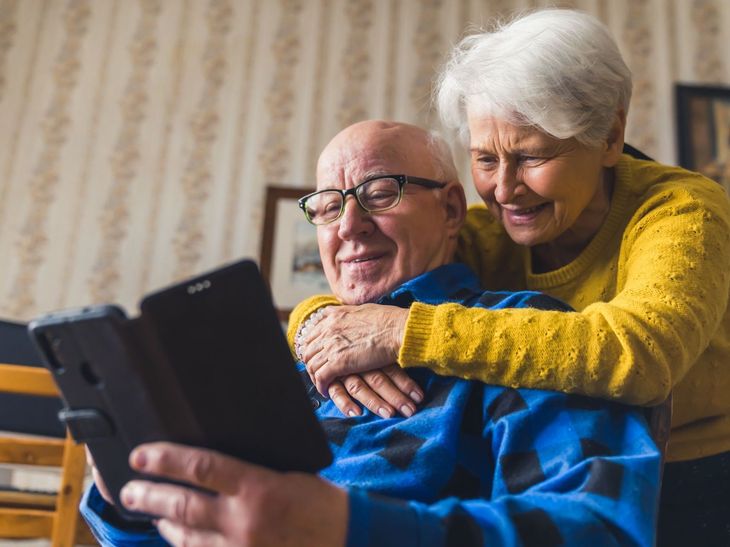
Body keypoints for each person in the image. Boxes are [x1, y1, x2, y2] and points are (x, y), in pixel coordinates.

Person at [80, 120, 661, 546]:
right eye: (329, 207)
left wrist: (350, 530)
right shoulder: (292, 358)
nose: (350, 226)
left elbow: (599, 530)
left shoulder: (527, 336)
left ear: (453, 210)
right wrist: (127, 499)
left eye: (381, 193)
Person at [290, 9, 730, 547]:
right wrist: (320, 321)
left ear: (610, 136)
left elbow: (639, 355)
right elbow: (372, 282)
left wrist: (403, 332)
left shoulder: (681, 211)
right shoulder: (484, 229)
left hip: (699, 466)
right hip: (556, 461)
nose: (503, 189)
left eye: (530, 156)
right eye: (484, 159)